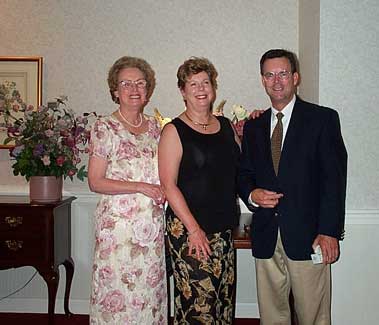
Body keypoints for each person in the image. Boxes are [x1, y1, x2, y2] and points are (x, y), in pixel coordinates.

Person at [238, 49, 347, 325]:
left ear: (295, 78)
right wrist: (252, 194)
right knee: (272, 316)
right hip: (266, 236)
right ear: (262, 80)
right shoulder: (253, 127)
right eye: (269, 75)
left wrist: (328, 232)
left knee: (313, 316)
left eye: (283, 74)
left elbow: (333, 180)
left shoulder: (323, 120)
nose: (277, 81)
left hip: (310, 237)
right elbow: (243, 174)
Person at [158, 57, 240, 324]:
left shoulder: (226, 126)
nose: (201, 88)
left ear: (213, 87)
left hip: (223, 227)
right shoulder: (174, 131)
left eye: (206, 82)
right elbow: (168, 185)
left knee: (222, 302)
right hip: (190, 231)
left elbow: (240, 169)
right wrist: (194, 230)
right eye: (193, 84)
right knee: (198, 306)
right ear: (182, 91)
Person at [88, 56, 167, 324]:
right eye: (126, 83)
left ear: (148, 90)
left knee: (148, 296)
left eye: (140, 83)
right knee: (118, 297)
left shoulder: (158, 128)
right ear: (115, 90)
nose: (134, 89)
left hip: (151, 228)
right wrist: (139, 186)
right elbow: (95, 181)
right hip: (117, 232)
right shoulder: (104, 127)